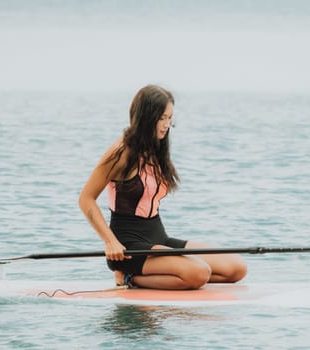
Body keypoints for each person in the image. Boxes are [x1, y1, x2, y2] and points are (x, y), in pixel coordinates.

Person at [79, 84, 247, 290]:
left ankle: (171, 271)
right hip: (129, 247)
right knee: (199, 272)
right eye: (162, 118)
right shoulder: (120, 153)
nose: (167, 124)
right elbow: (86, 199)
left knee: (236, 268)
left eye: (170, 118)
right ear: (146, 117)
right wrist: (110, 242)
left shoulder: (154, 149)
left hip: (158, 237)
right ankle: (127, 277)